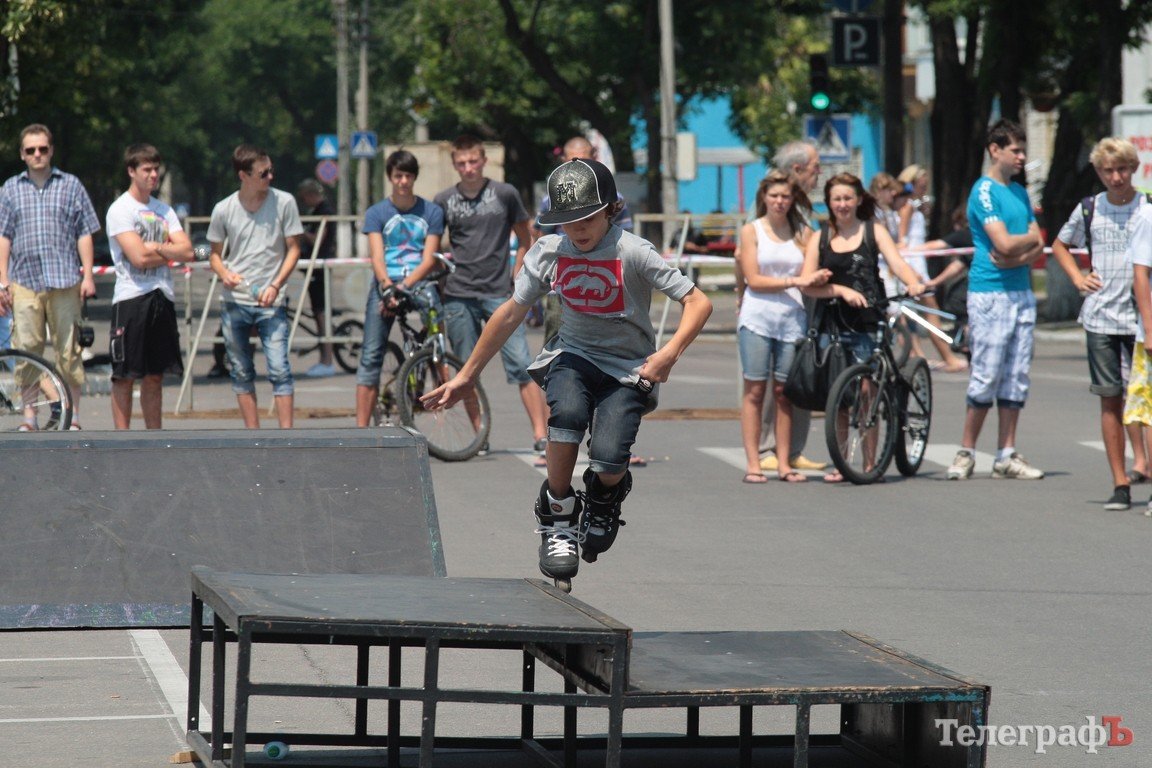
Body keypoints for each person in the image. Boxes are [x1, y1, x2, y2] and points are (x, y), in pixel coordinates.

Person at [421, 158, 712, 586]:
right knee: (568, 416)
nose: (578, 230)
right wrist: (467, 375)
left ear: (610, 209)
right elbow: (510, 313)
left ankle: (605, 494)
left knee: (609, 458)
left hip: (628, 368)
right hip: (572, 355)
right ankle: (557, 514)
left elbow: (699, 302)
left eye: (588, 218)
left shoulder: (633, 251)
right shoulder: (550, 251)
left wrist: (668, 354)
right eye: (568, 221)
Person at [799, 173, 926, 483]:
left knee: (868, 392)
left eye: (847, 198)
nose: (842, 204)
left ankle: (871, 464)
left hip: (868, 320)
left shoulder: (873, 231)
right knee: (840, 397)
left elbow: (897, 263)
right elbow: (807, 284)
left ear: (858, 200)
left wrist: (912, 282)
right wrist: (839, 290)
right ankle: (843, 463)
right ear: (828, 203)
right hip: (832, 321)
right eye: (836, 199)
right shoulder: (820, 237)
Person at [1052, 137, 1152, 510]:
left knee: (1146, 402)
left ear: (1134, 168)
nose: (1116, 177)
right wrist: (1078, 278)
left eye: (1122, 169)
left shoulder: (1147, 206)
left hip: (1141, 319)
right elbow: (1060, 245)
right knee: (1110, 399)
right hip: (1101, 317)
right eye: (1108, 171)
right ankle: (1120, 483)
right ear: (1098, 172)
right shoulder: (1090, 208)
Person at [434, 135, 547, 453]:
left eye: (473, 161)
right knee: (466, 370)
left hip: (500, 293)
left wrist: (518, 272)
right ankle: (479, 436)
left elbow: (525, 237)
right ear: (454, 164)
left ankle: (541, 435)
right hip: (459, 294)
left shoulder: (504, 193)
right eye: (462, 163)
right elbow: (432, 242)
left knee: (522, 364)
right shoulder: (443, 200)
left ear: (483, 161)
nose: (468, 168)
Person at [946, 119, 1046, 481]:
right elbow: (1002, 243)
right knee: (986, 373)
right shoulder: (984, 191)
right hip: (991, 293)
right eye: (1015, 150)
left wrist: (1021, 252)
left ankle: (1006, 453)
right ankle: (966, 451)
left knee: (1016, 374)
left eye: (1023, 151)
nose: (1021, 157)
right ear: (995, 150)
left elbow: (1038, 241)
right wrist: (1025, 244)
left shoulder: (1018, 192)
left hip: (1020, 291)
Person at [0, 123, 100, 430]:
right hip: (24, 281)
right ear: (22, 154)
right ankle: (30, 417)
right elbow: (3, 237)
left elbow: (84, 232)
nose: (37, 154)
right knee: (26, 349)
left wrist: (88, 275)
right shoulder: (10, 189)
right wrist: (2, 280)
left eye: (42, 148)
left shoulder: (70, 185)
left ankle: (74, 417)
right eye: (30, 150)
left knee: (69, 351)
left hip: (64, 278)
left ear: (51, 150)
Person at [737, 171, 830, 484]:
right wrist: (796, 280)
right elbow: (754, 279)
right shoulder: (751, 230)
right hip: (757, 318)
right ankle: (753, 463)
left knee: (784, 392)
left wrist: (816, 278)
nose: (779, 201)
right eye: (774, 195)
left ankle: (784, 462)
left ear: (793, 200)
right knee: (755, 391)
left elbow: (812, 272)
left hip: (792, 319)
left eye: (785, 196)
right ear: (764, 197)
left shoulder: (803, 232)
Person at [207, 144, 303, 429]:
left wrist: (276, 284)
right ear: (243, 175)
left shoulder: (284, 202)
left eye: (271, 171)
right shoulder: (224, 209)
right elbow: (214, 255)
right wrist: (224, 273)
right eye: (263, 173)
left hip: (272, 298)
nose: (270, 177)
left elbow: (294, 249)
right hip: (235, 299)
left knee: (279, 368)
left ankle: (287, 437)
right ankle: (254, 436)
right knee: (240, 370)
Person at [105, 143, 195, 429]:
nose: (153, 175)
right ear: (132, 171)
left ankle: (154, 437)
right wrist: (168, 250)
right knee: (125, 375)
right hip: (131, 298)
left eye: (156, 169)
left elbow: (188, 251)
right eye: (147, 169)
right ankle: (122, 439)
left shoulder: (164, 210)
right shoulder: (120, 209)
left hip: (161, 296)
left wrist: (156, 246)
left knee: (155, 375)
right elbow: (139, 258)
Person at [355, 150, 445, 427]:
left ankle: (440, 388)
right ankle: (360, 429)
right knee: (371, 355)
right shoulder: (377, 213)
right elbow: (377, 256)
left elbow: (429, 259)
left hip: (418, 282)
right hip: (386, 282)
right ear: (390, 178)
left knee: (438, 338)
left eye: (408, 176)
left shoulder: (432, 212)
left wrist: (404, 286)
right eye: (398, 176)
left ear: (414, 177)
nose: (403, 181)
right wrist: (388, 288)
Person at [296, 179, 337, 378]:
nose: (304, 202)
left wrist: (302, 232)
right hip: (315, 268)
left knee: (322, 314)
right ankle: (324, 359)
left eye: (305, 198)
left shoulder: (324, 211)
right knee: (318, 312)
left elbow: (318, 239)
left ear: (310, 194)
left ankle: (327, 360)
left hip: (320, 268)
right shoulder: (317, 211)